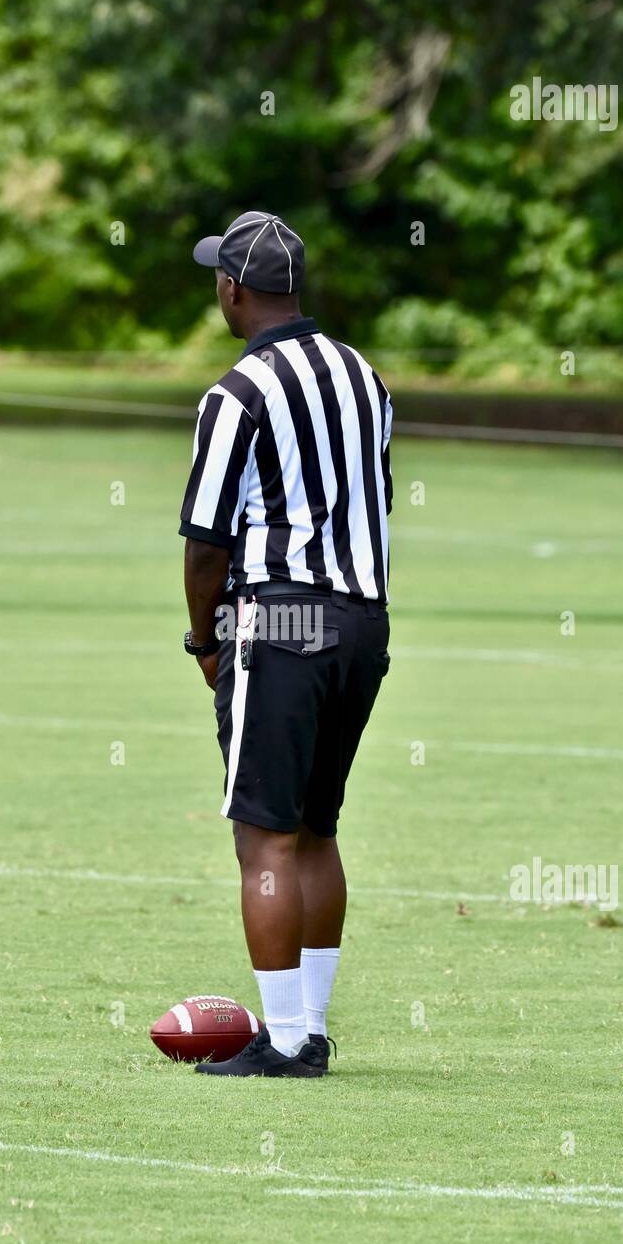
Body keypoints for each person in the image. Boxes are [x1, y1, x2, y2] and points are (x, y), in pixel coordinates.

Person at [179, 211, 392, 1077]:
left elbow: (206, 543)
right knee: (316, 830)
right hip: (364, 621)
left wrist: (204, 639)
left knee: (263, 838)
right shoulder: (364, 377)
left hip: (278, 619)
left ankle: (287, 1041)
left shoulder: (236, 393)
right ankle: (310, 1028)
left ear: (233, 288)